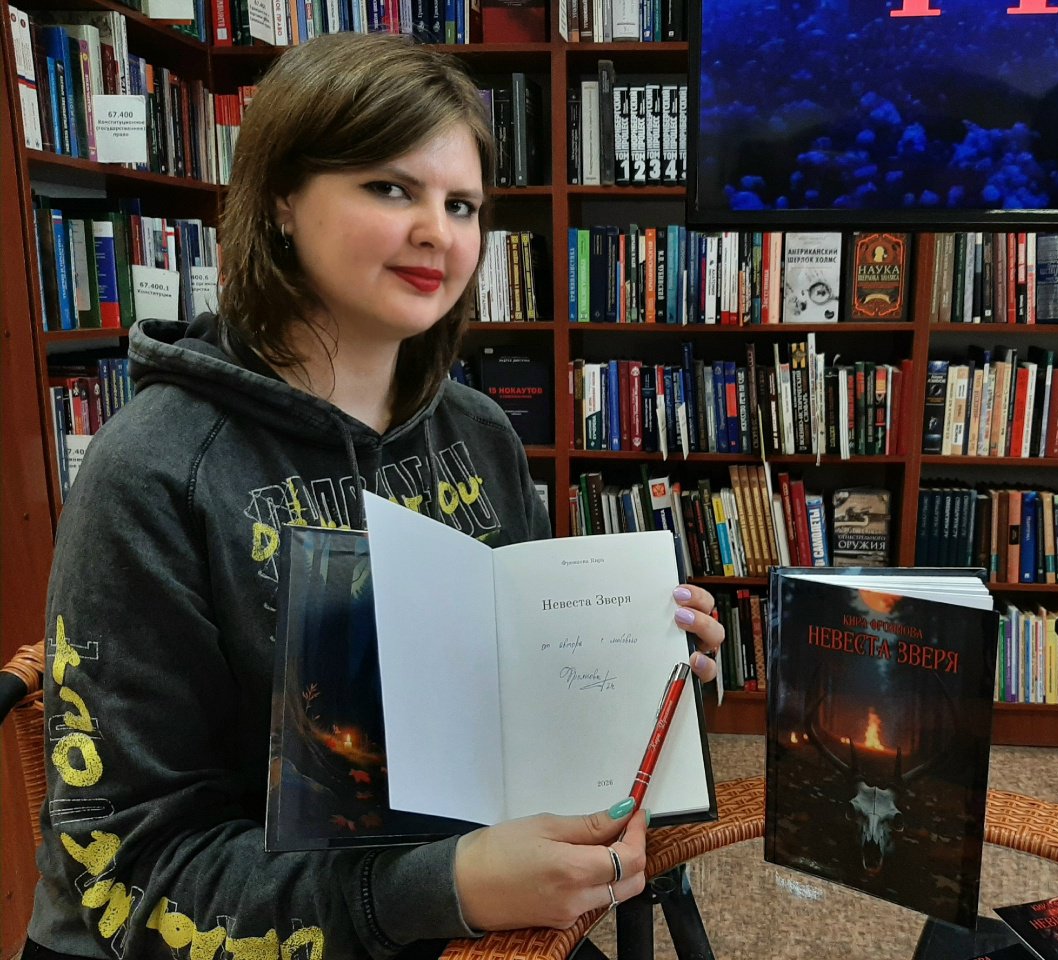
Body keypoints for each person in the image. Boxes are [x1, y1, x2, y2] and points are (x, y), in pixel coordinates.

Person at [24, 32, 724, 960]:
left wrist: (639, 676)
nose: (439, 231)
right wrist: (441, 888)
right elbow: (131, 874)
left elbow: (520, 718)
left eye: (462, 204)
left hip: (450, 913)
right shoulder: (153, 470)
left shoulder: (478, 431)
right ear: (281, 199)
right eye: (391, 188)